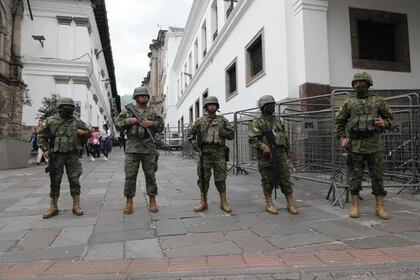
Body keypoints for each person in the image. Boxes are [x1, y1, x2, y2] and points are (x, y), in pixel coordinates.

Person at [335, 72, 393, 219]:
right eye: (356, 82)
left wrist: (384, 123)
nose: (358, 84)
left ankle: (380, 206)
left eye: (361, 82)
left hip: (374, 144)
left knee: (377, 175)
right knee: (355, 176)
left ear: (368, 84)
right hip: (355, 145)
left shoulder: (379, 101)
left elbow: (390, 119)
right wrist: (342, 138)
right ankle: (354, 206)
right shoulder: (348, 103)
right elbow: (339, 122)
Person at [37, 97, 90, 219]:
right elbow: (41, 135)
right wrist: (45, 149)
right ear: (60, 108)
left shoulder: (76, 121)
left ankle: (76, 205)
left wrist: (83, 133)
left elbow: (88, 131)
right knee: (55, 181)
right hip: (56, 156)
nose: (70, 108)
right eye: (67, 106)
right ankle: (53, 206)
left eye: (72, 106)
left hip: (72, 155)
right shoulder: (51, 121)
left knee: (75, 179)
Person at [116, 86, 164, 214]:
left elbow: (161, 126)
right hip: (132, 147)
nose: (144, 97)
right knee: (130, 176)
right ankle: (129, 201)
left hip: (148, 147)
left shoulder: (153, 112)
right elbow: (117, 123)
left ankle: (152, 199)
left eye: (146, 96)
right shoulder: (127, 111)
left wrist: (152, 124)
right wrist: (129, 121)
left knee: (150, 175)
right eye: (141, 95)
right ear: (136, 97)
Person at [248, 95, 299, 215]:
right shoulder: (257, 122)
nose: (272, 107)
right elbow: (252, 140)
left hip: (280, 154)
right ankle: (269, 203)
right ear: (263, 107)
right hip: (266, 155)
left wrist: (288, 152)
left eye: (273, 104)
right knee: (267, 179)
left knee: (285, 178)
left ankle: (290, 202)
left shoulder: (278, 121)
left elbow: (285, 138)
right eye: (269, 105)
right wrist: (263, 146)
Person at [187, 96, 234, 213]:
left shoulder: (223, 120)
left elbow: (232, 134)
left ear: (217, 107)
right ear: (206, 107)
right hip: (205, 154)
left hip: (219, 153)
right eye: (210, 104)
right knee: (203, 178)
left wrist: (223, 132)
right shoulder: (200, 121)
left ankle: (223, 202)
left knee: (221, 178)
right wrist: (193, 143)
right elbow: (190, 133)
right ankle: (203, 201)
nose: (212, 106)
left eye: (214, 104)